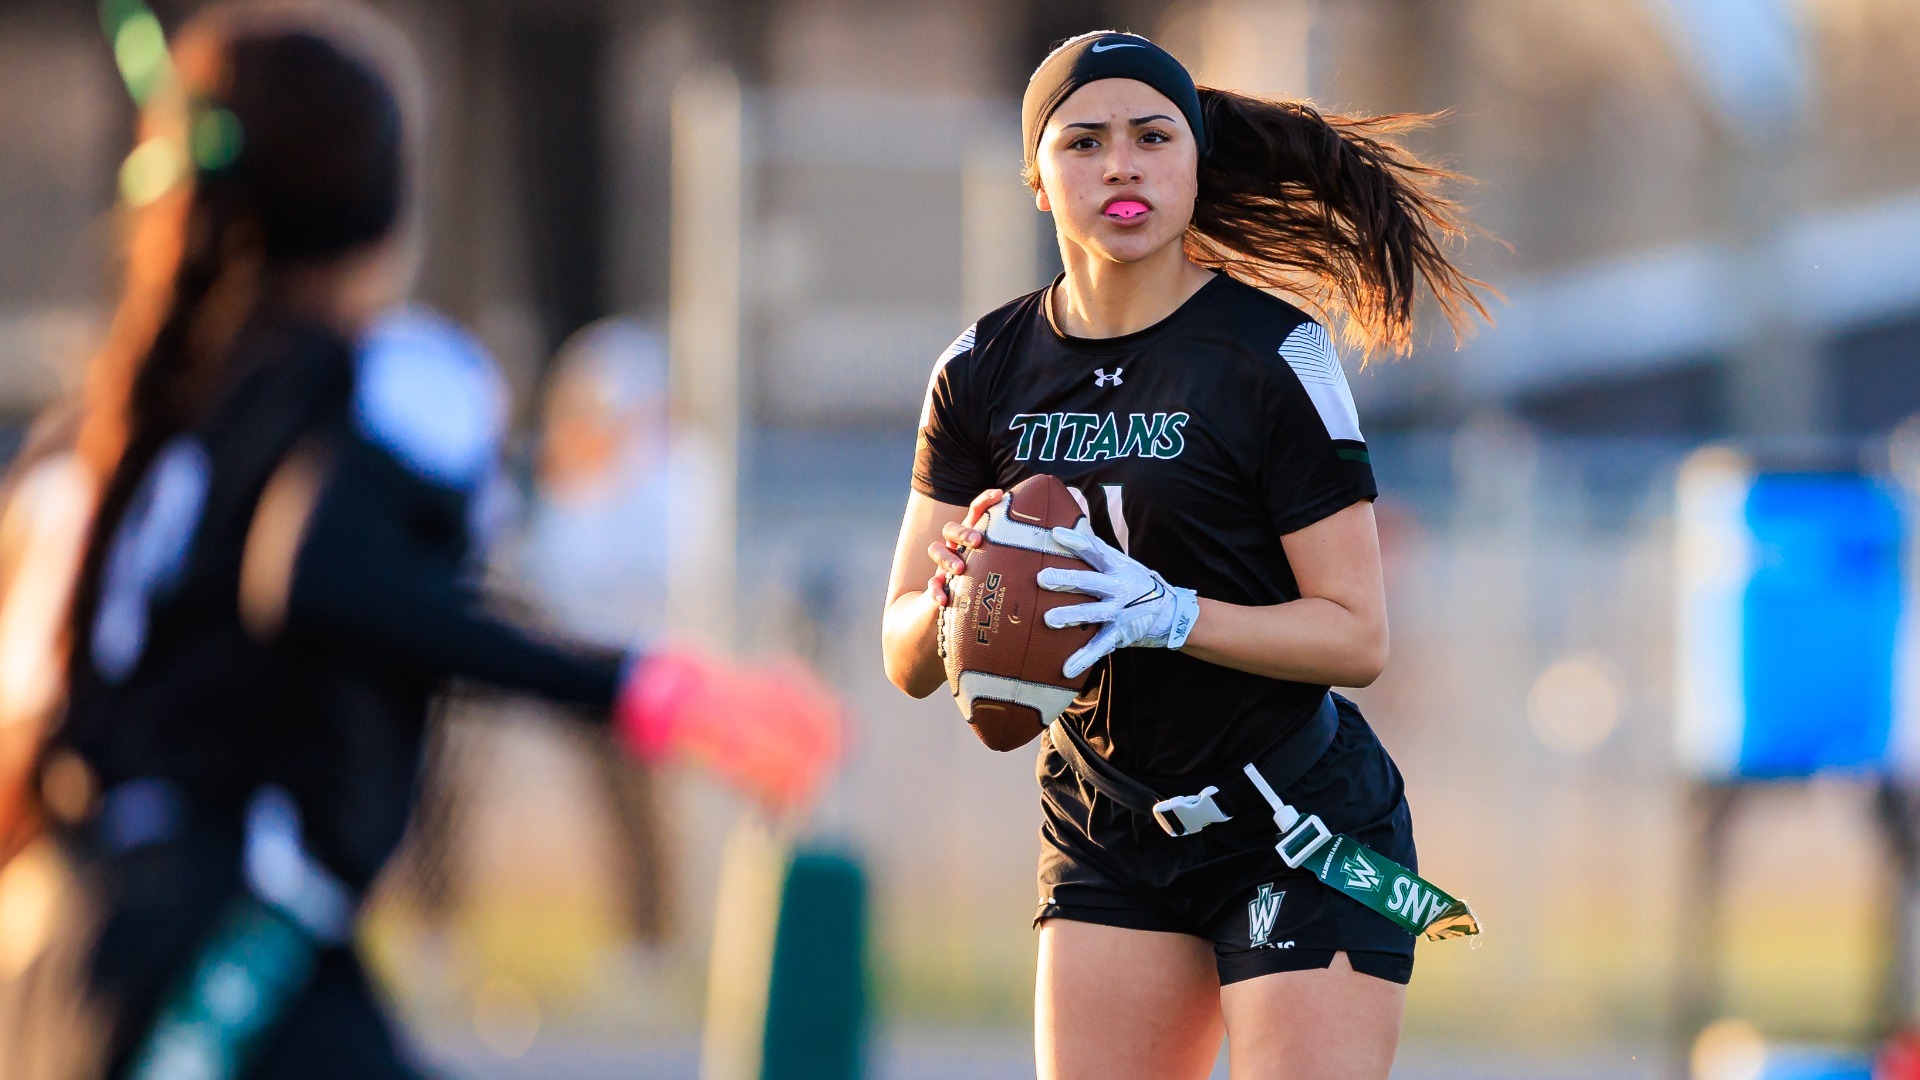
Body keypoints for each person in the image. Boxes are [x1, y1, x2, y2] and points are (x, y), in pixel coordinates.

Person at [7, 7, 836, 1078]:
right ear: (386, 203)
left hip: (51, 948)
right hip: (214, 962)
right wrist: (646, 690)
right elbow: (319, 574)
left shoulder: (102, 433)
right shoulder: (376, 384)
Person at [881, 31, 1489, 1080]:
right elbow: (902, 651)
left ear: (1194, 164)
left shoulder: (1269, 355)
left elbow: (1357, 635)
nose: (1121, 165)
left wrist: (1168, 613)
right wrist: (955, 601)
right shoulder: (981, 368)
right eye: (1084, 142)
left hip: (1293, 822)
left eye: (1153, 137)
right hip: (1106, 820)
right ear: (1036, 177)